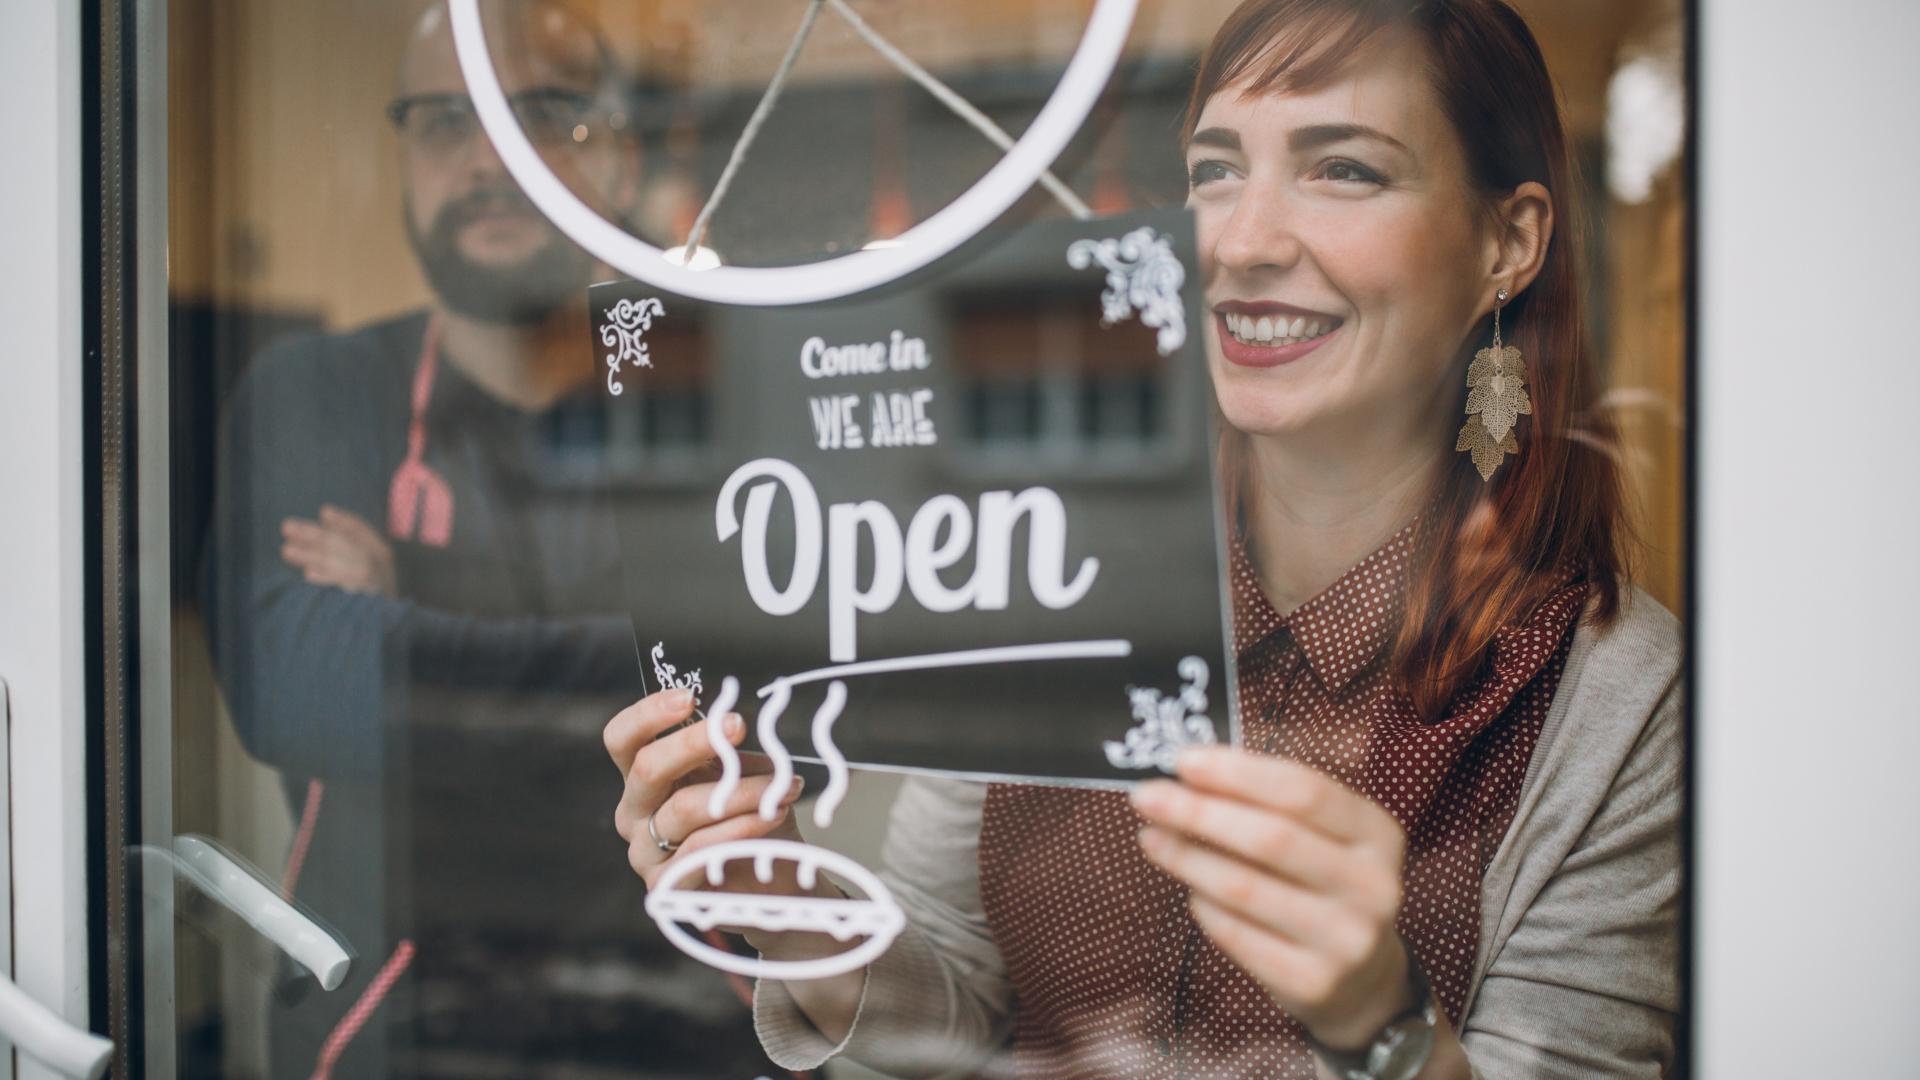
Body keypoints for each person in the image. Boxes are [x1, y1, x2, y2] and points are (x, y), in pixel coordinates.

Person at [602, 0, 1681, 1077]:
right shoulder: (1053, 572)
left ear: (1510, 241)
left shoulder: (1612, 693)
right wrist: (797, 910)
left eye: (1344, 169)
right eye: (1215, 171)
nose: (1243, 242)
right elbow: (961, 1010)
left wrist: (1380, 1017)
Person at [207, 3, 788, 1076]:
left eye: (545, 116)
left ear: (618, 146)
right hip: (388, 1022)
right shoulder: (315, 394)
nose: (487, 157)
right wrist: (623, 669)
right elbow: (292, 687)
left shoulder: (713, 398)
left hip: (688, 1009)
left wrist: (398, 617)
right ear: (401, 154)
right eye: (443, 120)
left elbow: (769, 689)